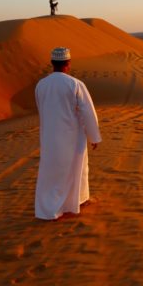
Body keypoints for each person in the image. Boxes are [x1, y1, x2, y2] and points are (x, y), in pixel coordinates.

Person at [35, 47, 101, 220]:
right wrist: (94, 136)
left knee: (51, 172)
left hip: (49, 137)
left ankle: (48, 207)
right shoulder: (75, 84)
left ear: (52, 63)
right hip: (72, 137)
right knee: (77, 168)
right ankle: (78, 202)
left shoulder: (41, 85)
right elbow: (88, 111)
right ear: (68, 63)